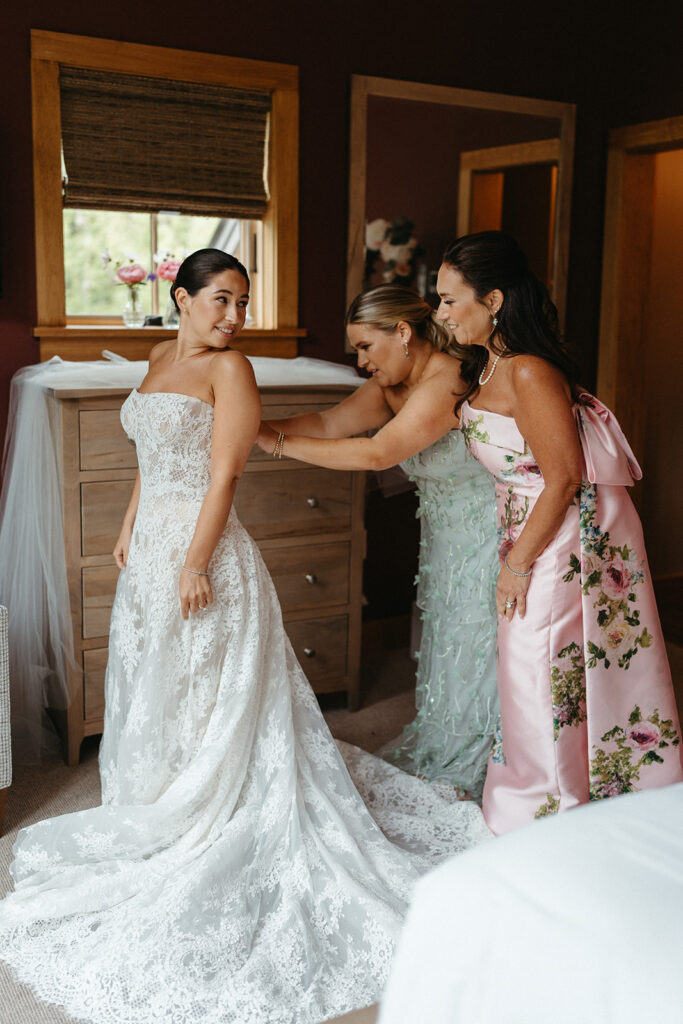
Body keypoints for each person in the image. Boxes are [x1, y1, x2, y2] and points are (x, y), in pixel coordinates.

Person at [0, 250, 491, 1024]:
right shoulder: (159, 356)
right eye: (221, 300)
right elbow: (150, 455)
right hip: (151, 550)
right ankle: (158, 798)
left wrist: (196, 561)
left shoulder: (231, 373)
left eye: (242, 301)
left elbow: (223, 474)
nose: (234, 317)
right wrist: (130, 524)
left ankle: (211, 806)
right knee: (155, 680)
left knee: (204, 687)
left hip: (203, 552)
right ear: (181, 298)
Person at [436, 230, 683, 834]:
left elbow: (566, 476)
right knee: (536, 675)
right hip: (526, 533)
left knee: (541, 670)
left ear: (492, 300)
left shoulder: (528, 372)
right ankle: (543, 801)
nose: (439, 313)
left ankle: (546, 819)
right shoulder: (488, 364)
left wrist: (518, 564)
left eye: (448, 300)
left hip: (556, 541)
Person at [256, 285, 499, 799]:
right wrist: (252, 428)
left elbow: (377, 454)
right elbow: (329, 422)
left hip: (488, 532)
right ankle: (447, 735)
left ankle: (494, 756)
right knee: (449, 640)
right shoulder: (392, 386)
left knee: (480, 644)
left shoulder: (449, 377)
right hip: (442, 536)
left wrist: (274, 444)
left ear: (403, 333)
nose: (361, 361)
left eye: (366, 347)